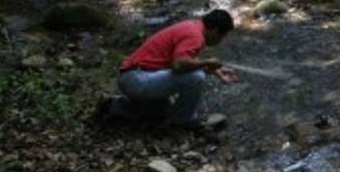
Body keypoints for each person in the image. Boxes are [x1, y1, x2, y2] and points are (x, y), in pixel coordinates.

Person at [102, 9, 239, 129]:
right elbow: (179, 65)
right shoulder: (195, 36)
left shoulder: (192, 26)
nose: (220, 41)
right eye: (222, 36)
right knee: (197, 77)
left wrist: (215, 71)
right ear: (215, 31)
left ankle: (114, 105)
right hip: (137, 80)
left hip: (132, 77)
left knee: (162, 110)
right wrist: (207, 61)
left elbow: (185, 61)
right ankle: (182, 120)